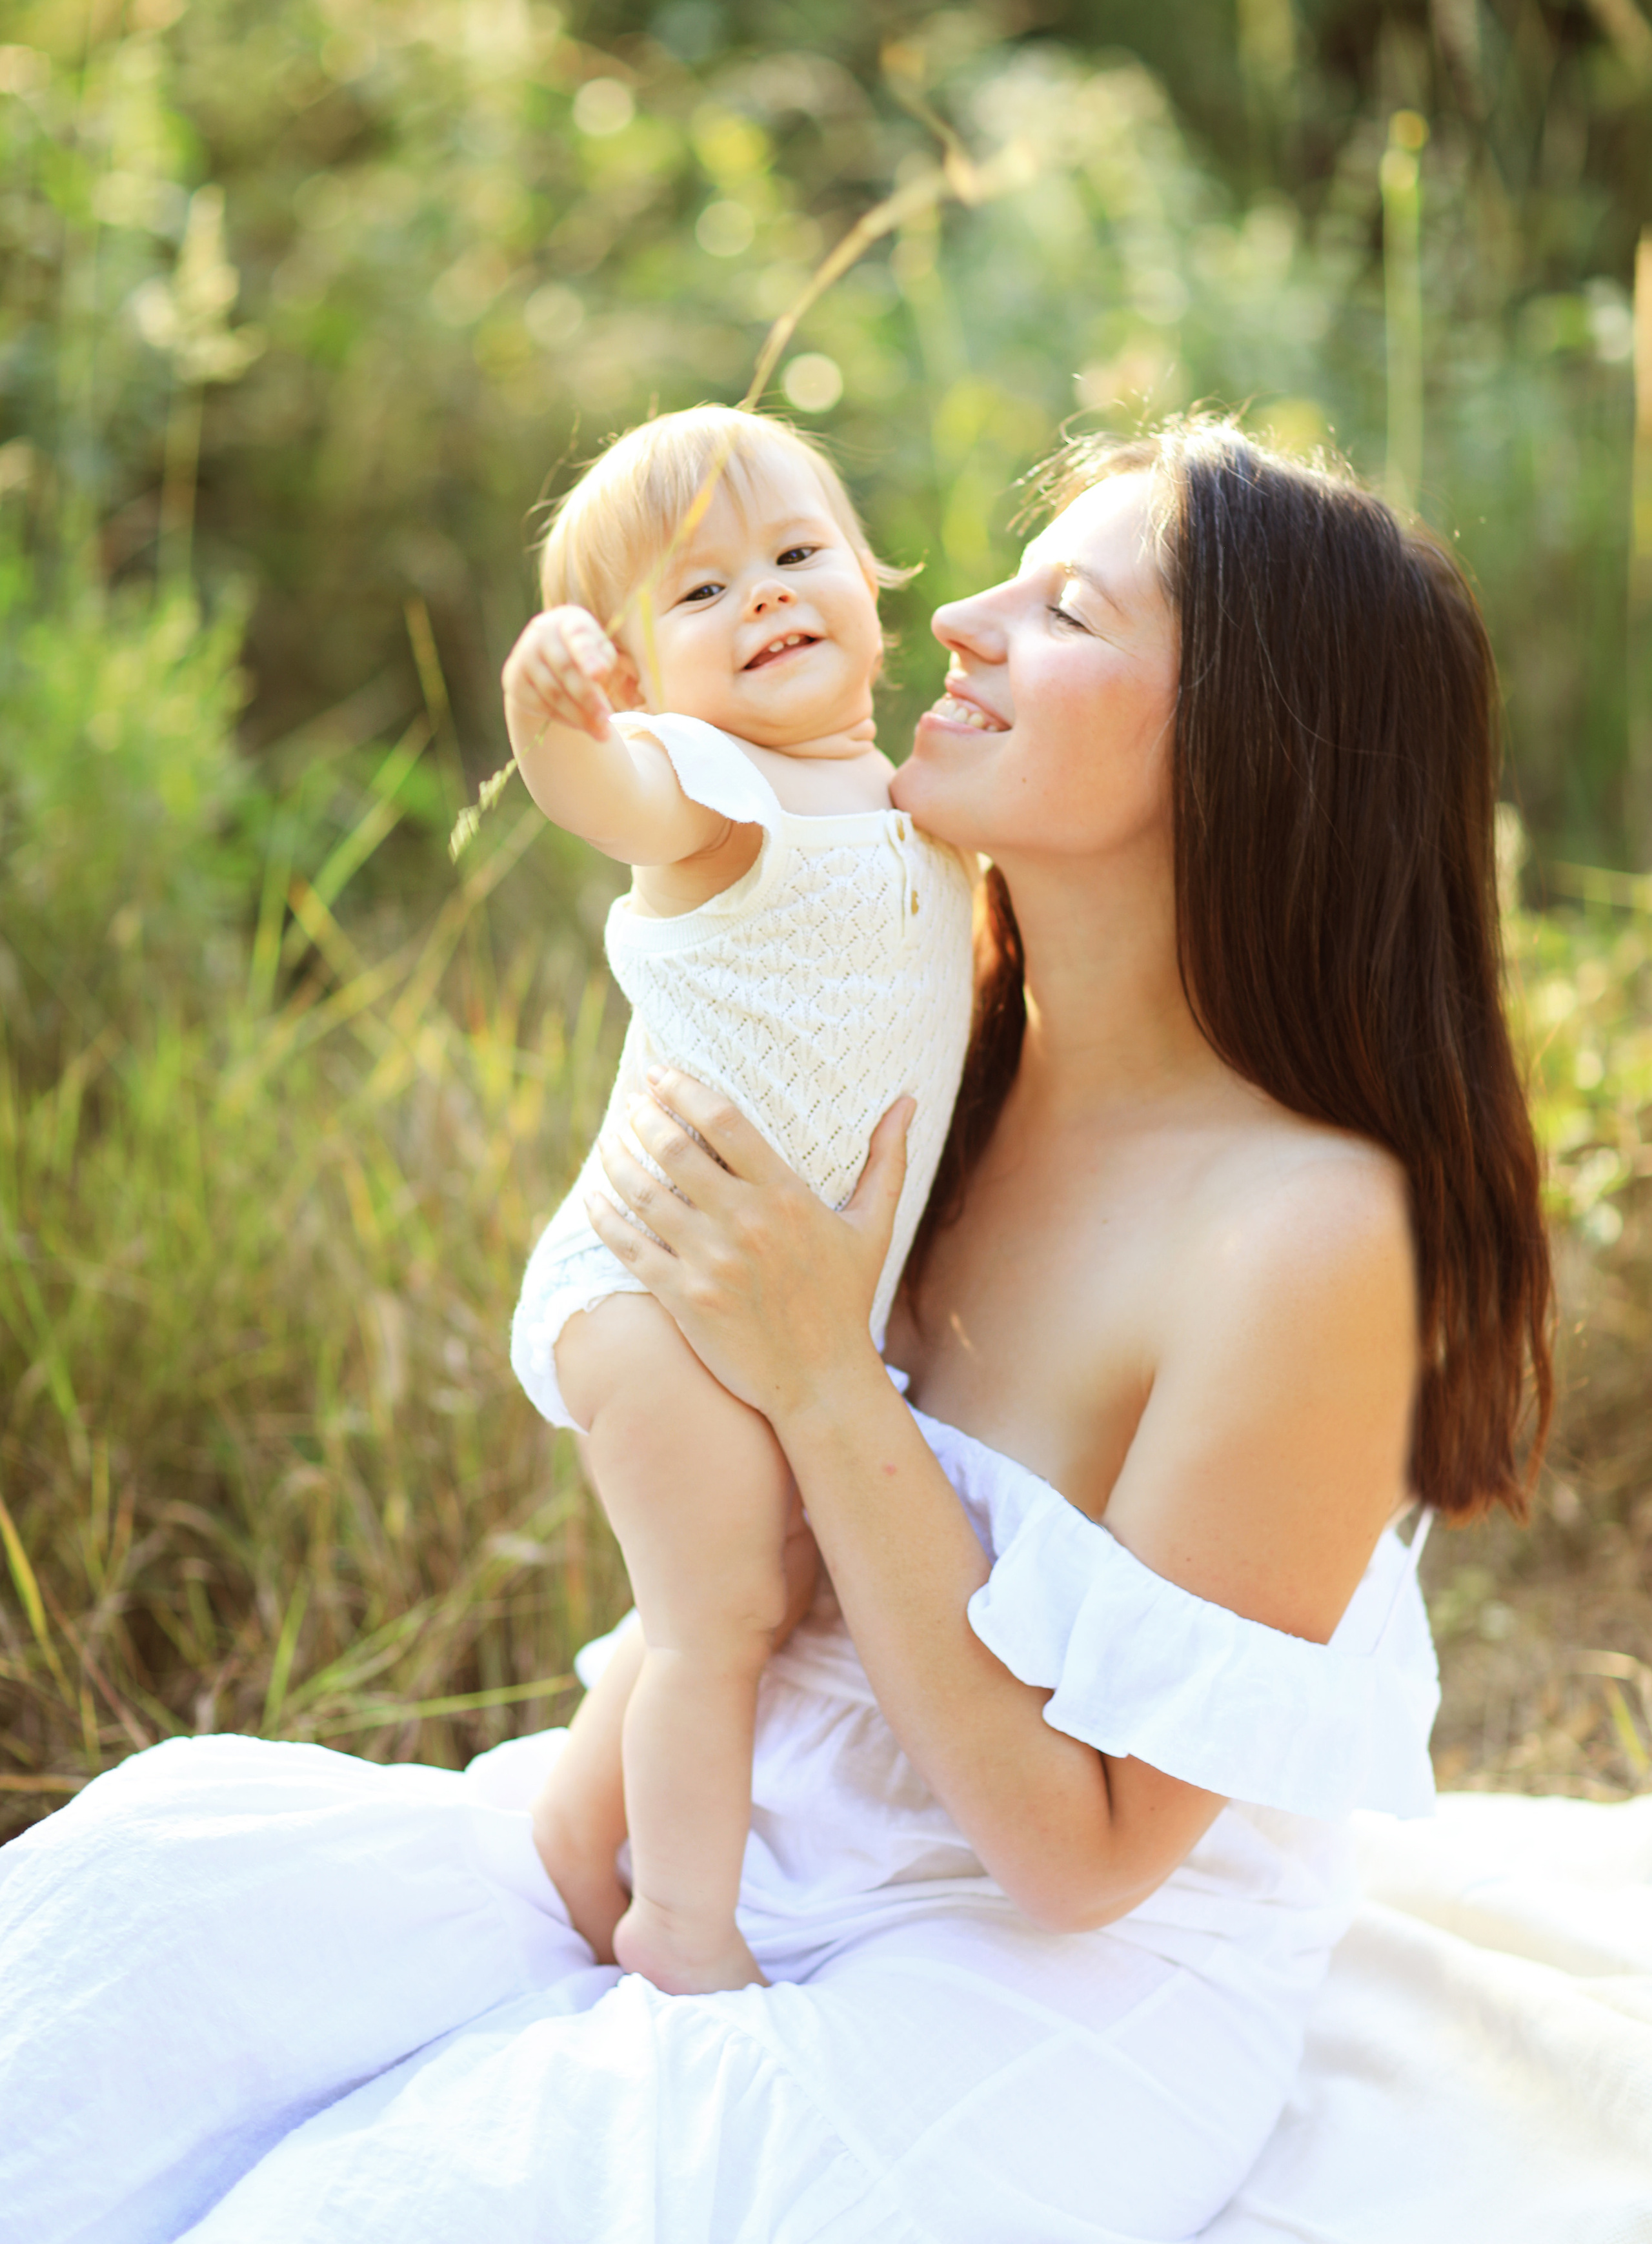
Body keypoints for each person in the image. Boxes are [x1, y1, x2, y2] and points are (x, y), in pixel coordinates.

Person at [0, 419, 1552, 2244]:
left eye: (1063, 606)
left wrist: (825, 1377)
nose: (958, 615)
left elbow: (1086, 1860)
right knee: (138, 1924)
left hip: (1022, 1960)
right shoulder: (935, 1013)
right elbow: (733, 1563)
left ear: (1242, 740)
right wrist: (590, 1850)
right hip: (766, 1797)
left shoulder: (1306, 1231)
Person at [501, 405, 974, 1992]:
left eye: (791, 555)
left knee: (730, 1585)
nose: (760, 595)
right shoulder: (711, 794)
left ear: (867, 584)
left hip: (747, 1302)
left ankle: (575, 1841)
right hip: (652, 1294)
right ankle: (680, 1927)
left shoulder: (909, 805)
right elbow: (597, 797)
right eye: (696, 594)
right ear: (640, 678)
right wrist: (550, 716)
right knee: (722, 1622)